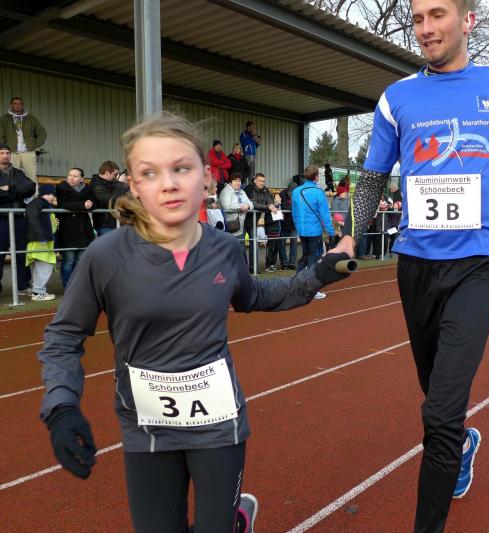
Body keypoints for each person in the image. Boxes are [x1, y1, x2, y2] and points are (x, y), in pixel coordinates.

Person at [37, 113, 350, 533]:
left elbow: (256, 296)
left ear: (205, 177)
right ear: (134, 185)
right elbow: (64, 335)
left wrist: (319, 274)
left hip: (218, 423)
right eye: (150, 173)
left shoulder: (224, 249)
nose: (168, 183)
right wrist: (61, 406)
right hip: (147, 425)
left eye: (181, 168)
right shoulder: (106, 256)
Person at [331, 0, 489, 529]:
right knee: (434, 390)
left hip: (480, 264)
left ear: (467, 21)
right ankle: (462, 443)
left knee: (439, 414)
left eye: (437, 14)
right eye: (418, 18)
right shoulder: (396, 98)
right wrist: (349, 237)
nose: (425, 28)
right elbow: (373, 177)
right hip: (416, 265)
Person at [293, 165, 334, 299]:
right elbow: (325, 214)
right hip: (314, 230)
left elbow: (294, 212)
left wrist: (297, 226)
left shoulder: (296, 191)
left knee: (305, 256)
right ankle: (311, 289)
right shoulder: (318, 192)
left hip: (301, 229)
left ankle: (295, 283)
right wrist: (331, 231)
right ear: (316, 177)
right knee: (312, 258)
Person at [0, 141, 35, 295]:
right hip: (1, 218)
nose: (5, 156)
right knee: (0, 253)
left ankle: (23, 286)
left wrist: (10, 188)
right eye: (2, 153)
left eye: (7, 153)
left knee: (21, 253)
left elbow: (30, 188)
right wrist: (16, 194)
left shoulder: (17, 173)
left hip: (19, 218)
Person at [55, 168, 94, 288]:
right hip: (68, 228)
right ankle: (67, 286)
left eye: (75, 176)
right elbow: (64, 204)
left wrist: (88, 205)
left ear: (82, 179)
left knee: (80, 261)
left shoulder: (88, 189)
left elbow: (93, 204)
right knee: (69, 260)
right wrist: (83, 205)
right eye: (70, 175)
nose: (71, 178)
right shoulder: (61, 188)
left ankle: (78, 286)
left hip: (83, 228)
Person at [0, 96, 47, 186]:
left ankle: (34, 194)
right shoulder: (5, 119)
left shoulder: (31, 118)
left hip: (28, 151)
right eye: (15, 103)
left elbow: (42, 133)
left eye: (20, 104)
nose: (18, 106)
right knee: (10, 175)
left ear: (22, 105)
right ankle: (12, 194)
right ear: (11, 105)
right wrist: (5, 148)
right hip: (12, 152)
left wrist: (34, 144)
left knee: (31, 176)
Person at [25, 184, 58, 300]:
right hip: (40, 240)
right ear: (50, 194)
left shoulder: (40, 203)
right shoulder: (38, 203)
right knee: (45, 266)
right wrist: (41, 236)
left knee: (41, 267)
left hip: (41, 240)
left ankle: (38, 291)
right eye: (53, 194)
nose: (54, 197)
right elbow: (32, 217)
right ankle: (38, 292)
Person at [87, 160, 128, 238]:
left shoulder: (109, 182)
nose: (116, 177)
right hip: (105, 224)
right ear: (107, 173)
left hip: (114, 222)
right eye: (115, 174)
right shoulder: (97, 185)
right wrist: (120, 183)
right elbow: (111, 201)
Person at [219, 173, 253, 259]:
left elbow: (251, 204)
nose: (238, 183)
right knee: (232, 250)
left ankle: (242, 266)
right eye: (235, 181)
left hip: (240, 225)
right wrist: (240, 207)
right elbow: (227, 206)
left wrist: (247, 206)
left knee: (241, 249)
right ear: (230, 182)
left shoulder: (242, 192)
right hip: (230, 225)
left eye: (239, 181)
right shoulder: (226, 191)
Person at [244, 173, 272, 272]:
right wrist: (267, 207)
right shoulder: (249, 189)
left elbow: (270, 201)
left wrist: (272, 205)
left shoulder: (265, 189)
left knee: (254, 244)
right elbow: (253, 204)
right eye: (260, 181)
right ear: (255, 180)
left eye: (263, 181)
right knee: (240, 245)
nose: (262, 183)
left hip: (254, 220)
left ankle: (253, 268)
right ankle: (242, 268)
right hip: (242, 220)